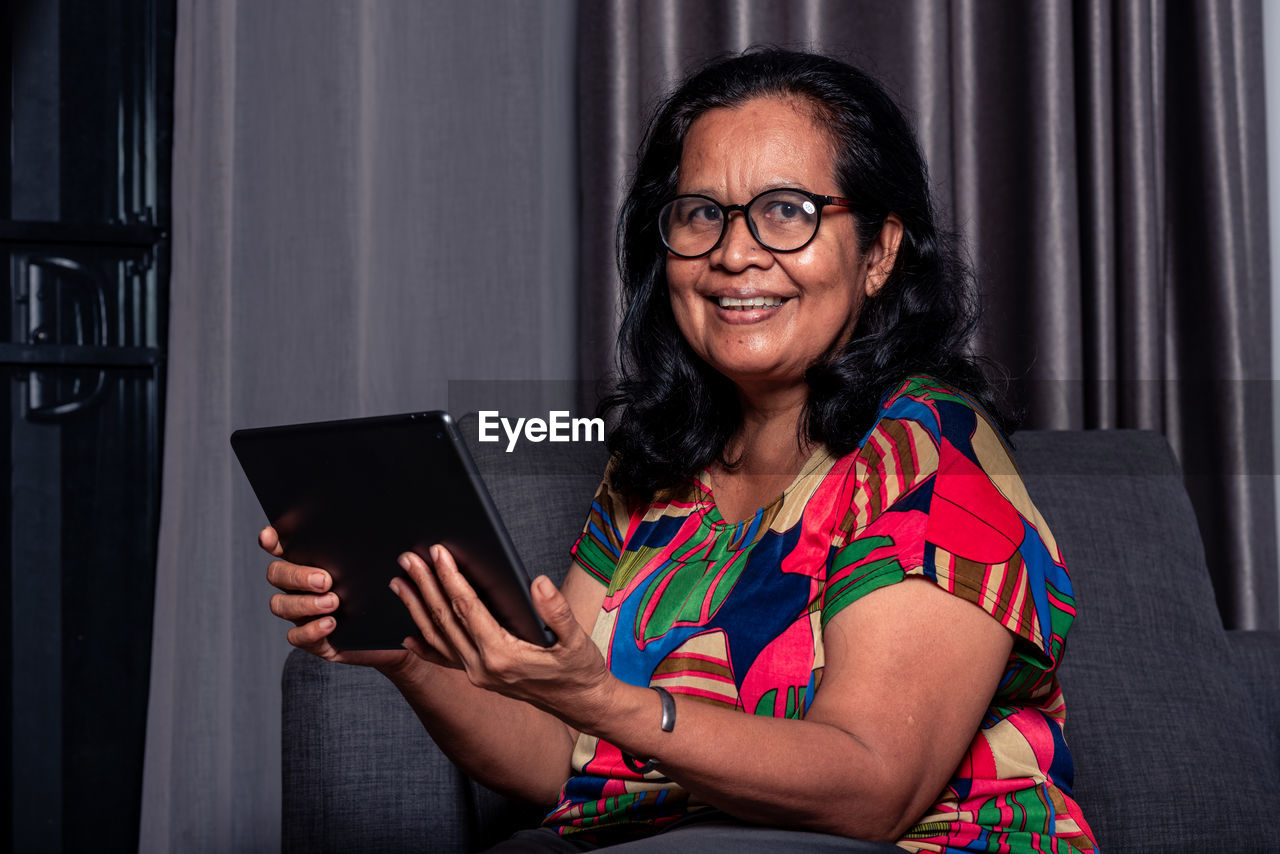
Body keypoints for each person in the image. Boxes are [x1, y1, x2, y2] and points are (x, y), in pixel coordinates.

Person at [264, 49, 1098, 853]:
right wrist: (410, 657)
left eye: (788, 212)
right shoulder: (658, 467)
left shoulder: (931, 455)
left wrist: (610, 703)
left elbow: (873, 787)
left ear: (878, 251)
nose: (734, 255)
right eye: (703, 214)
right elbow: (558, 759)